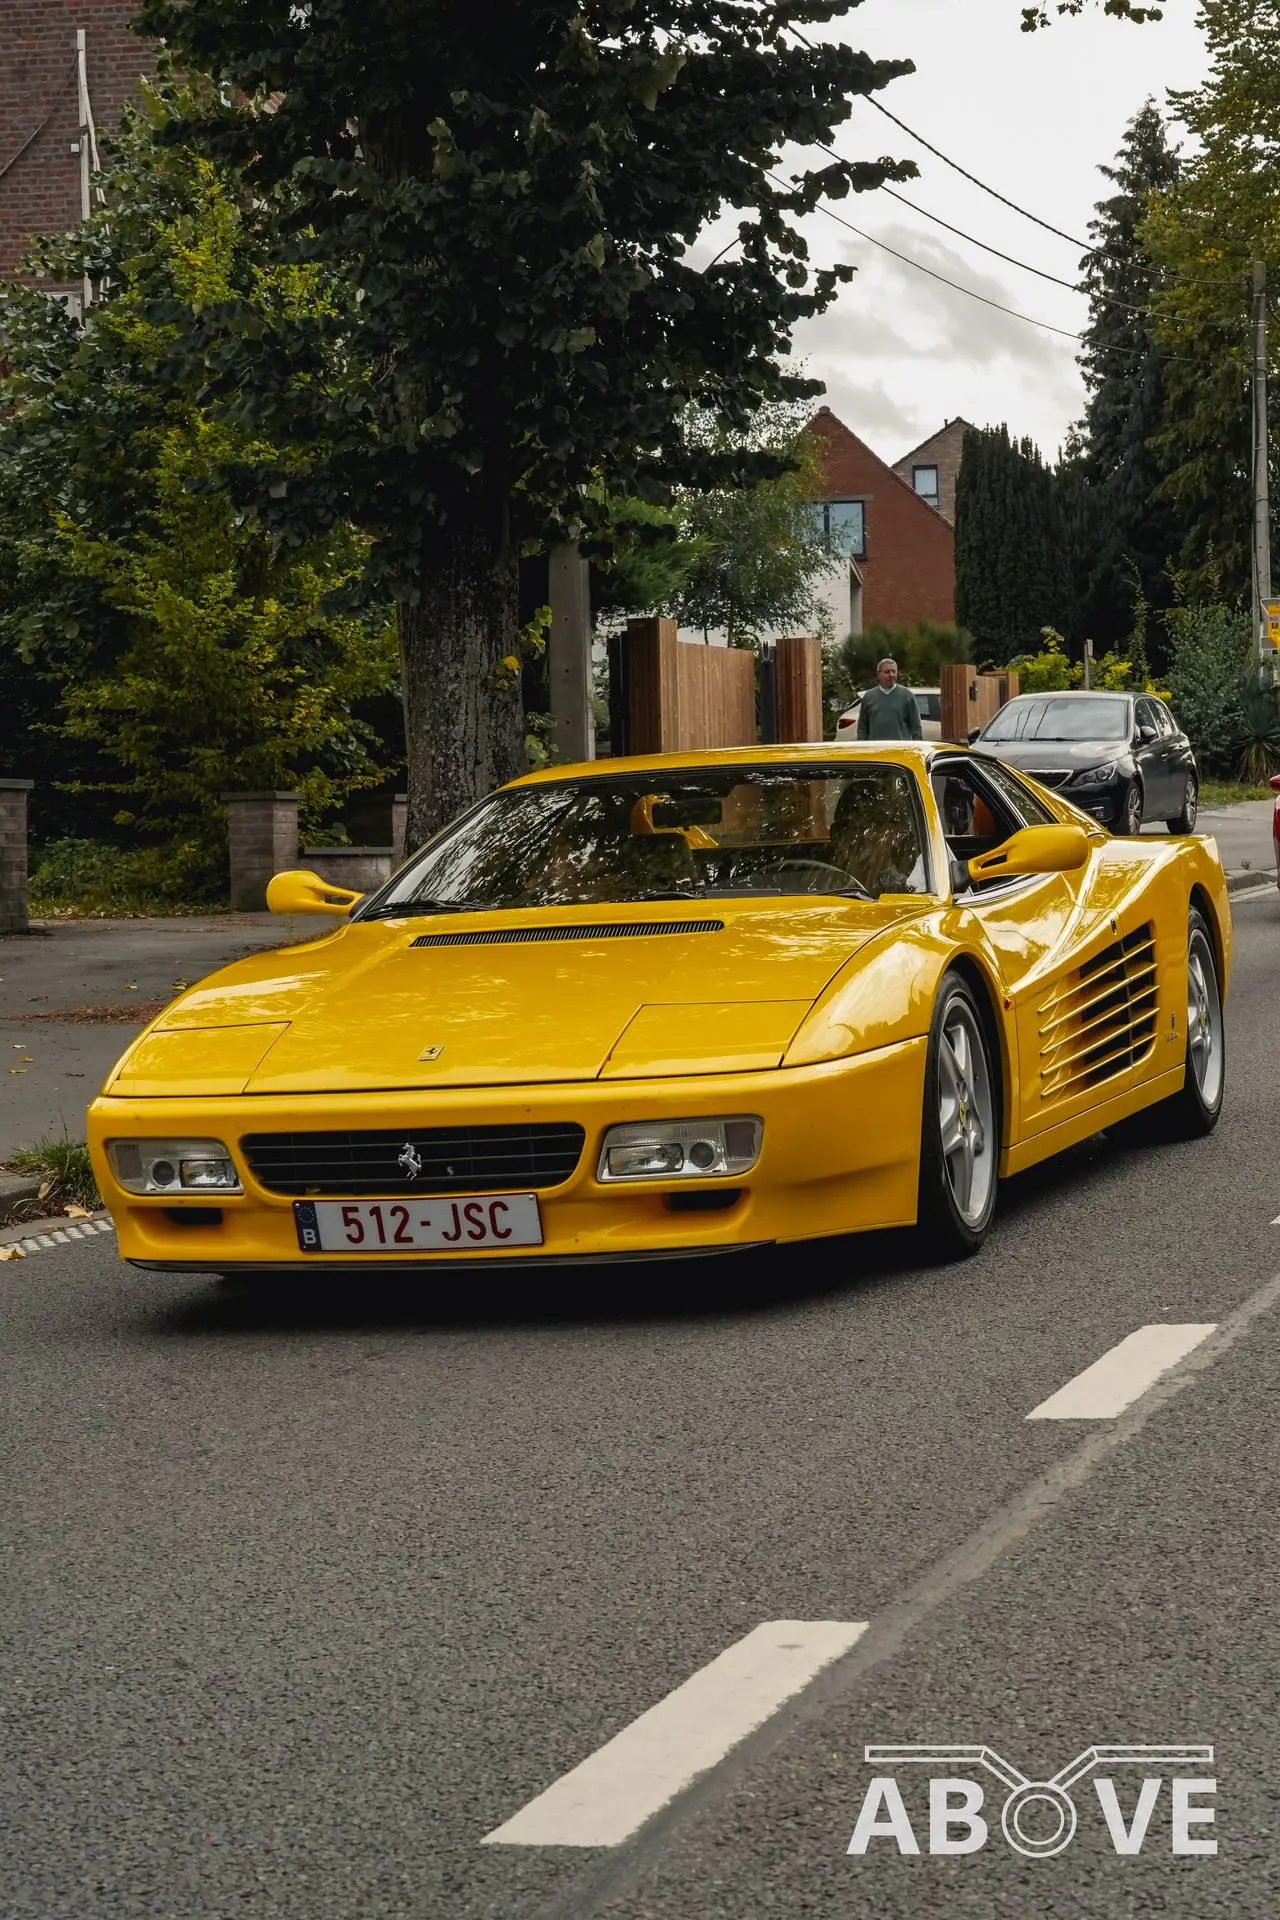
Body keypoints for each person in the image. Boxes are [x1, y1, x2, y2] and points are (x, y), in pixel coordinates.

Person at [856, 658, 923, 742]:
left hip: (900, 748)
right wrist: (862, 742)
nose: (891, 675)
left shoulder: (907, 695)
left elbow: (916, 726)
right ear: (878, 674)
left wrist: (917, 744)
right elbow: (862, 727)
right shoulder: (869, 696)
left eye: (893, 671)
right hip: (877, 748)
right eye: (887, 672)